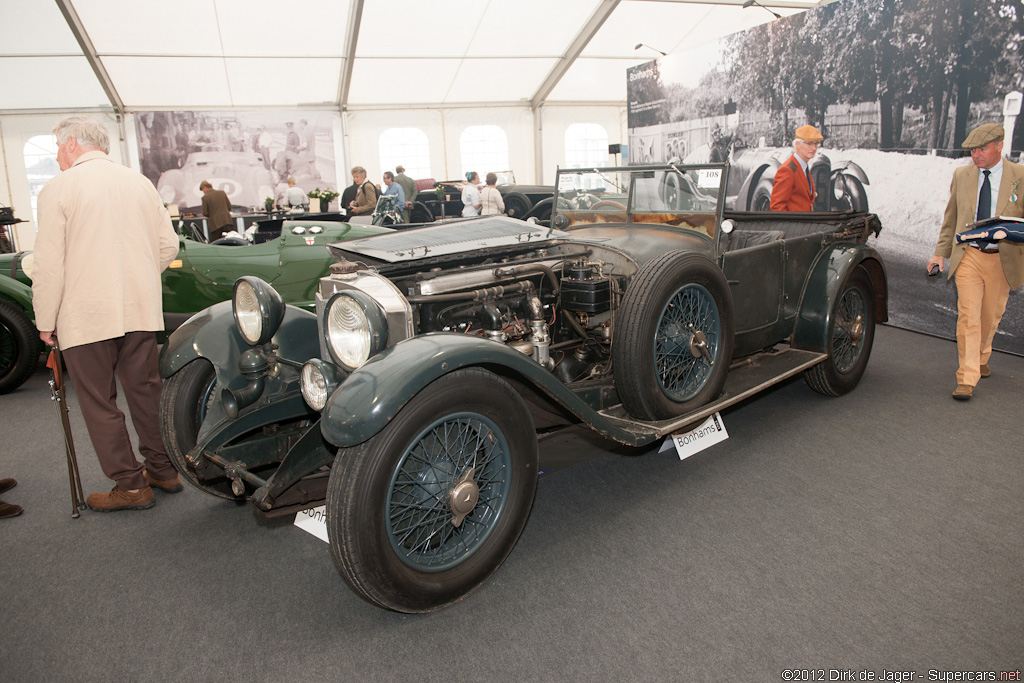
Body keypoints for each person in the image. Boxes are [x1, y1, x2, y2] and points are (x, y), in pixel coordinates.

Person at [31, 115, 181, 512]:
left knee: (100, 402)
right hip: (139, 309)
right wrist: (136, 279)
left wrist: (45, 321)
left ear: (71, 144)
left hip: (85, 315)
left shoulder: (58, 188)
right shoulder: (140, 182)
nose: (58, 158)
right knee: (147, 393)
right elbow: (168, 247)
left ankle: (131, 486)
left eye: (58, 150)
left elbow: (49, 265)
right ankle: (163, 470)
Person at [926, 123, 1024, 401]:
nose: (976, 155)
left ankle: (981, 356)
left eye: (982, 149)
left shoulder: (1020, 175)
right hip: (968, 255)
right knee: (968, 316)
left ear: (1000, 145)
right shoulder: (962, 175)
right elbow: (951, 219)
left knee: (990, 317)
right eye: (972, 150)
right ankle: (967, 377)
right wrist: (939, 253)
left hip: (1002, 259)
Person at [770, 124, 823, 212]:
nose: (814, 148)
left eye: (816, 143)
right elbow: (777, 208)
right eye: (809, 144)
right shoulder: (787, 170)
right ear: (798, 144)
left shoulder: (803, 167)